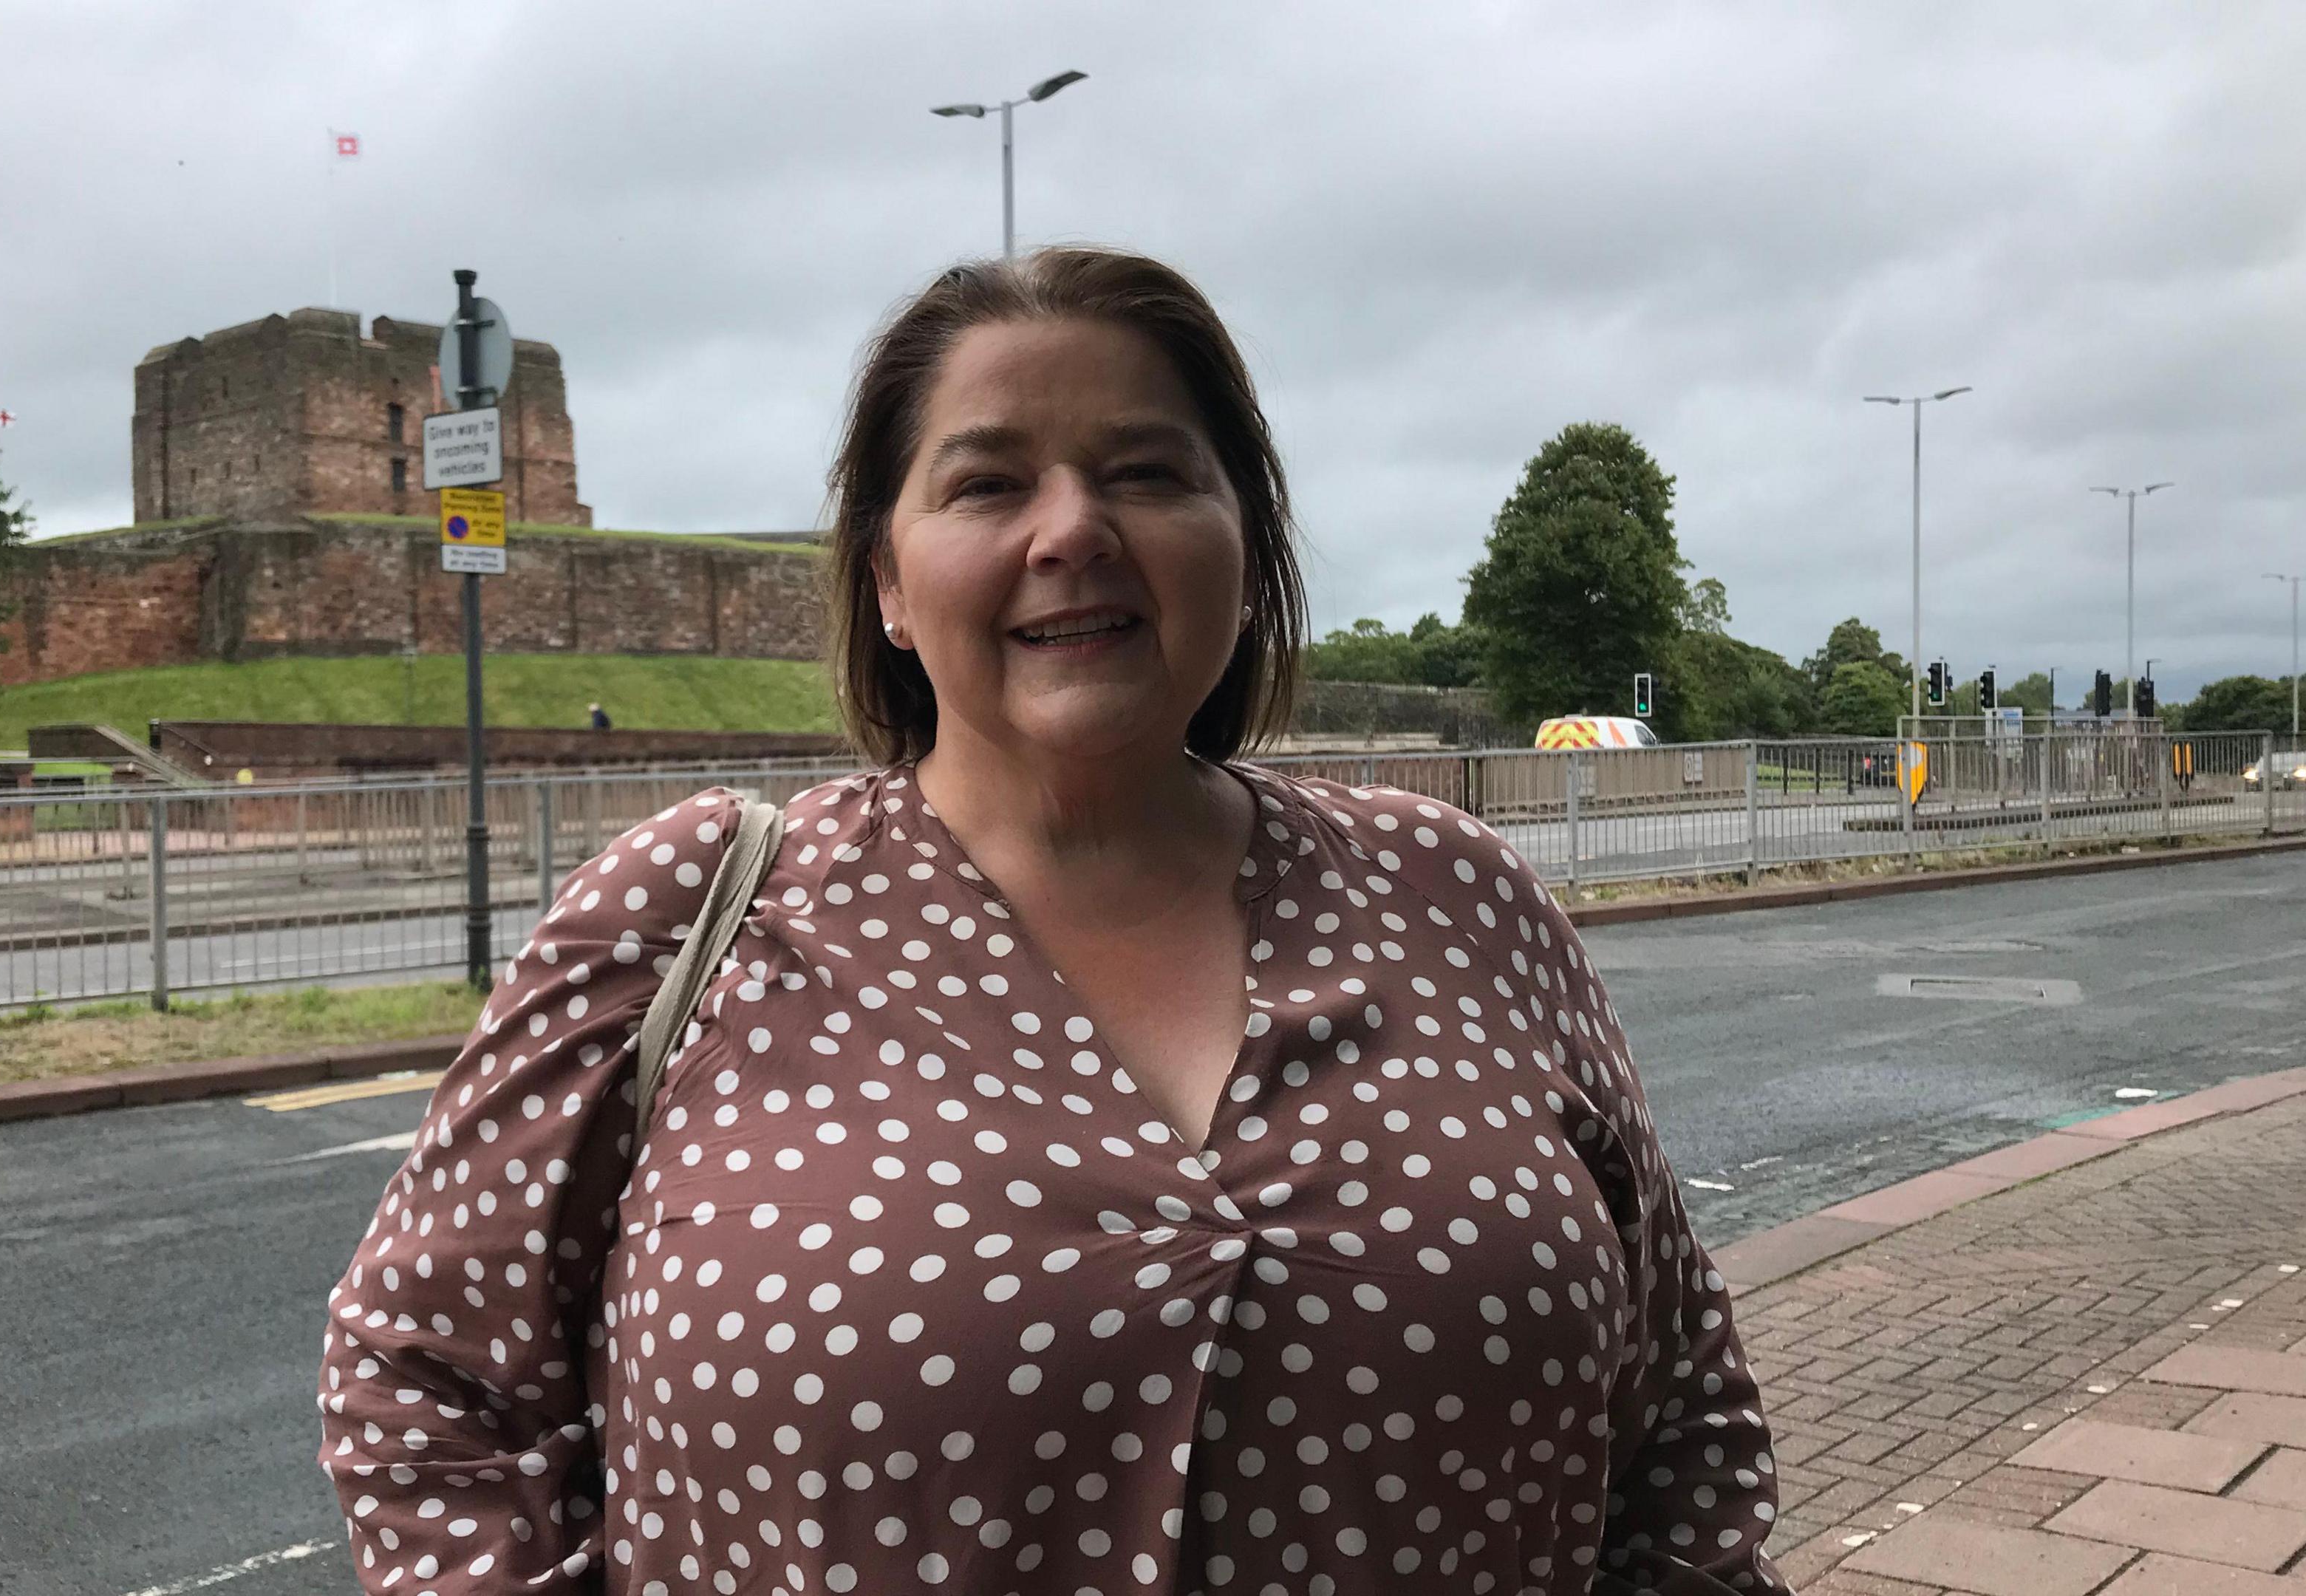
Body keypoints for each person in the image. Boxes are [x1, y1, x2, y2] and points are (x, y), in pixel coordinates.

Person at [318, 247, 1792, 1595]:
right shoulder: (693, 908)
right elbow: (425, 1377)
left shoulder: (1460, 896)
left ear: (1245, 540)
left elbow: (1681, 1409)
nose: (1073, 528)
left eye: (1149, 473)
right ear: (888, 581)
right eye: (985, 485)